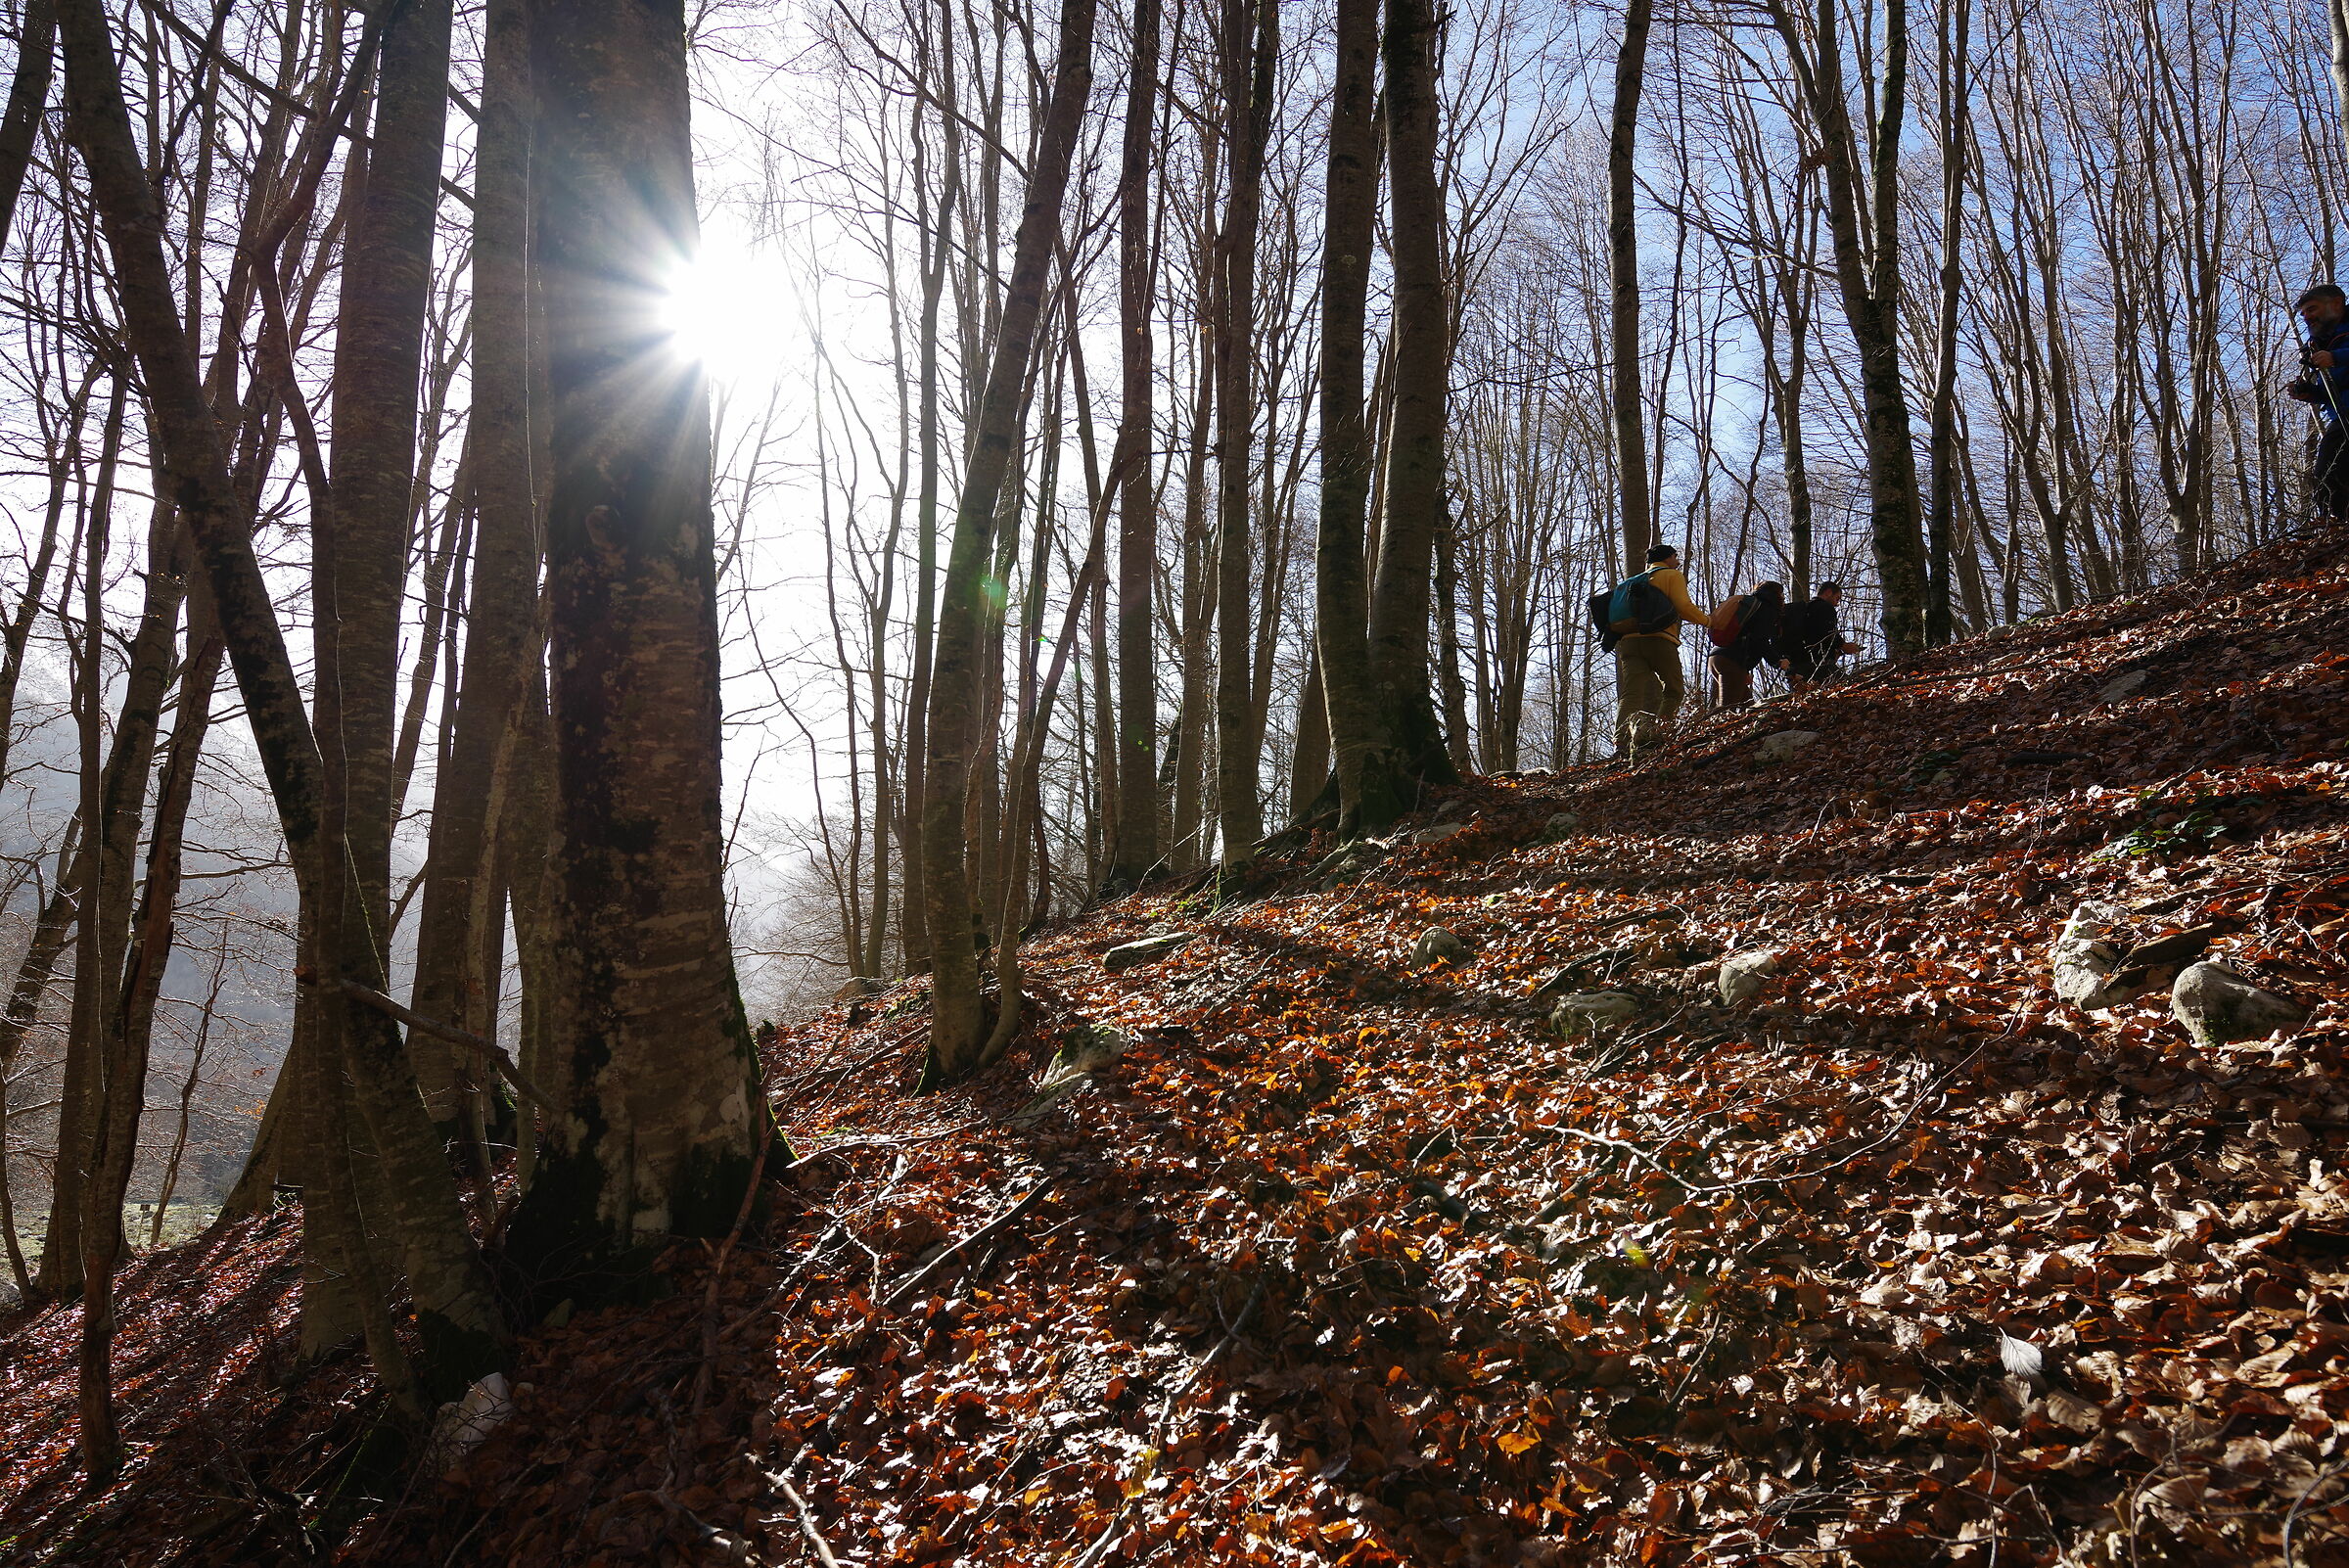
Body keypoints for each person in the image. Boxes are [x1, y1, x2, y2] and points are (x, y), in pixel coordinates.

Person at [1607, 543, 1709, 755]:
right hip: (1659, 640)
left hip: (1629, 642)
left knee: (1631, 694)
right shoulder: (1671, 575)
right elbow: (1683, 606)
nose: (1678, 561)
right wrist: (1708, 621)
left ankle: (1621, 742)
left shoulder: (1631, 582)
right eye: (1676, 557)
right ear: (1669, 558)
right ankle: (1656, 736)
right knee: (1673, 689)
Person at [2287, 284, 2349, 520]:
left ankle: (2335, 531)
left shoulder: (2335, 343)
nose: (2307, 317)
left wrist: (2336, 357)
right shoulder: (2322, 342)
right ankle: (2335, 533)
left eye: (2312, 309)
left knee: (2330, 469)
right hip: (2342, 415)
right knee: (2329, 472)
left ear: (2336, 303)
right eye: (2303, 313)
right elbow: (2335, 389)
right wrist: (2310, 393)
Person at [1709, 580, 1788, 710]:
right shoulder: (1766, 608)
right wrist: (1777, 661)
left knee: (1748, 705)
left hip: (1716, 657)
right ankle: (1710, 730)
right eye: (1781, 594)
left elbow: (1746, 635)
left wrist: (1744, 670)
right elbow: (1759, 640)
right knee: (1727, 709)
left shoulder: (1751, 605)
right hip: (1732, 660)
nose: (1783, 598)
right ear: (1775, 595)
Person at [1782, 581, 1859, 692]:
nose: (1837, 604)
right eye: (1837, 599)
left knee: (1802, 701)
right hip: (1816, 665)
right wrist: (1843, 645)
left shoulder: (1804, 610)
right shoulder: (1824, 607)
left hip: (1795, 666)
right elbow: (1828, 633)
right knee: (1848, 689)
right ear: (1828, 592)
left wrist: (1833, 652)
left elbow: (1816, 635)